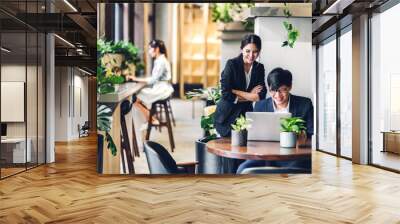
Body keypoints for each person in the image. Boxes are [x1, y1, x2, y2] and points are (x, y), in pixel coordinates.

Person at [236, 67, 314, 174]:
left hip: (293, 158)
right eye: (274, 91)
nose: (278, 96)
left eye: (283, 90)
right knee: (242, 170)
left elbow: (312, 133)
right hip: (264, 157)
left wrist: (302, 136)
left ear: (290, 87)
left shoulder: (305, 104)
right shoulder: (260, 105)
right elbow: (253, 134)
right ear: (269, 89)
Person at [214, 34, 267, 137]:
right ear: (241, 50)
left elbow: (260, 96)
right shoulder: (232, 64)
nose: (251, 55)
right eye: (247, 51)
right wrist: (249, 95)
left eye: (255, 51)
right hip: (227, 116)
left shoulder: (259, 68)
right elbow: (226, 93)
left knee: (244, 149)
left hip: (245, 117)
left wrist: (235, 91)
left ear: (259, 52)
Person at [126, 40, 174, 125]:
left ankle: (151, 119)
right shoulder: (160, 60)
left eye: (150, 49)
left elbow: (153, 80)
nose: (149, 52)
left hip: (161, 89)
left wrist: (135, 79)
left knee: (135, 99)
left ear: (157, 49)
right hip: (162, 87)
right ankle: (150, 118)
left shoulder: (161, 61)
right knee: (137, 98)